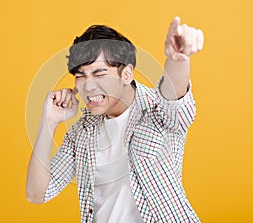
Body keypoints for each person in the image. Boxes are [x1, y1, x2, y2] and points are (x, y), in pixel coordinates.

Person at [26, 16, 204, 223]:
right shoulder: (81, 132)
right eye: (80, 75)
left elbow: (174, 95)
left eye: (99, 73)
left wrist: (177, 59)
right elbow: (37, 193)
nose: (88, 86)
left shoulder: (157, 112)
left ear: (127, 73)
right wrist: (48, 122)